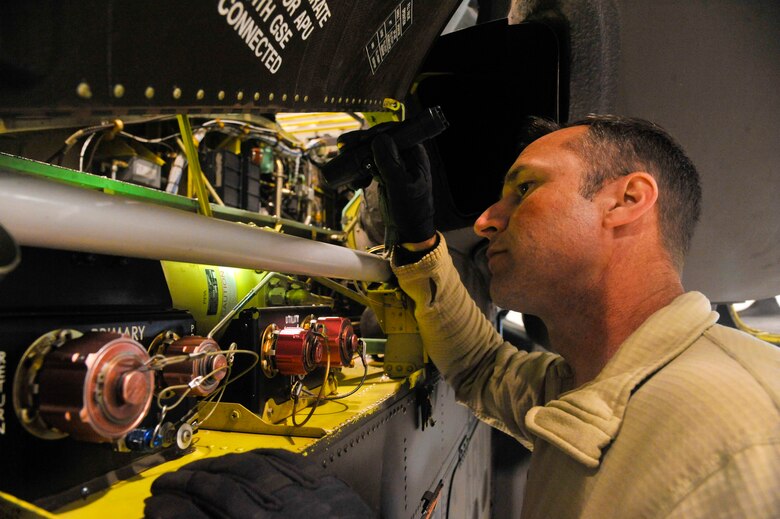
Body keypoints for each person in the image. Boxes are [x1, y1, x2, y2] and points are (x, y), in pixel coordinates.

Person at [365, 115, 780, 518]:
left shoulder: (744, 441)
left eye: (524, 189)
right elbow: (482, 368)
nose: (485, 221)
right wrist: (420, 241)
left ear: (627, 200)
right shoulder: (596, 379)